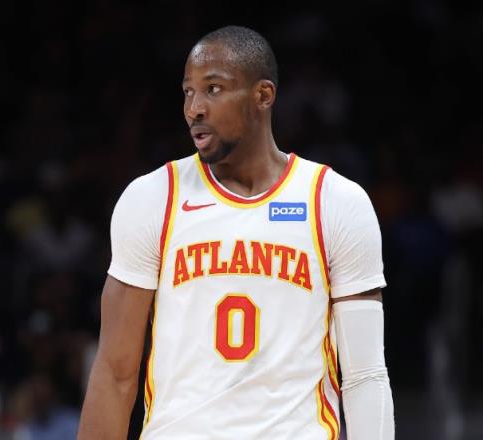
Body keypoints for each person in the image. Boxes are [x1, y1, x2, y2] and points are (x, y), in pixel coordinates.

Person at [77, 25, 394, 440]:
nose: (195, 108)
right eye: (188, 92)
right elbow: (115, 372)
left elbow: (365, 375)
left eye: (213, 89)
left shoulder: (335, 202)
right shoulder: (152, 198)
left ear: (263, 95)